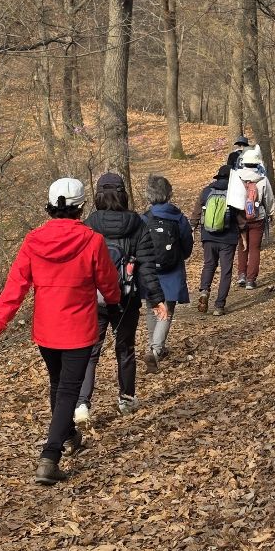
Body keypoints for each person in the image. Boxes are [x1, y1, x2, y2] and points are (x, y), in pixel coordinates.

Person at [0, 177, 121, 486]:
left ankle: (69, 435)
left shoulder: (33, 241)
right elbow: (108, 282)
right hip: (79, 330)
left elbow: (15, 288)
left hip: (46, 331)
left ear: (50, 206)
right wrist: (115, 305)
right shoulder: (93, 241)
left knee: (59, 384)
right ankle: (50, 457)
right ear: (81, 208)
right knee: (68, 389)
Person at [73, 171, 166, 423]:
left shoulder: (88, 224)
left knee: (91, 350)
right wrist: (157, 299)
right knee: (125, 349)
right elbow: (146, 266)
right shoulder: (137, 224)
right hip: (127, 298)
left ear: (98, 196)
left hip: (94, 299)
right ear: (123, 195)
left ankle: (82, 403)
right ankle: (126, 398)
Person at [141, 173, 194, 370]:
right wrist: (180, 256)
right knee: (167, 309)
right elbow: (187, 244)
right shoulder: (179, 218)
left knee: (152, 306)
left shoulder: (144, 218)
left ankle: (153, 347)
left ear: (149, 195)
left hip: (149, 271)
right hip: (172, 270)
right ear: (169, 194)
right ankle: (156, 350)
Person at [190, 161, 245, 315]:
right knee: (225, 271)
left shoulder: (206, 191)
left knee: (209, 264)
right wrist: (243, 232)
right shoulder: (233, 193)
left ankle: (204, 291)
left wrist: (193, 226)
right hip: (228, 238)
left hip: (208, 236)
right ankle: (219, 306)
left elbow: (197, 212)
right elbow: (240, 218)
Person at [233, 145, 275, 289]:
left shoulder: (237, 177)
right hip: (257, 217)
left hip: (240, 217)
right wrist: (270, 212)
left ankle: (241, 275)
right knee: (254, 248)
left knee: (242, 246)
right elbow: (268, 198)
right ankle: (251, 280)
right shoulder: (262, 179)